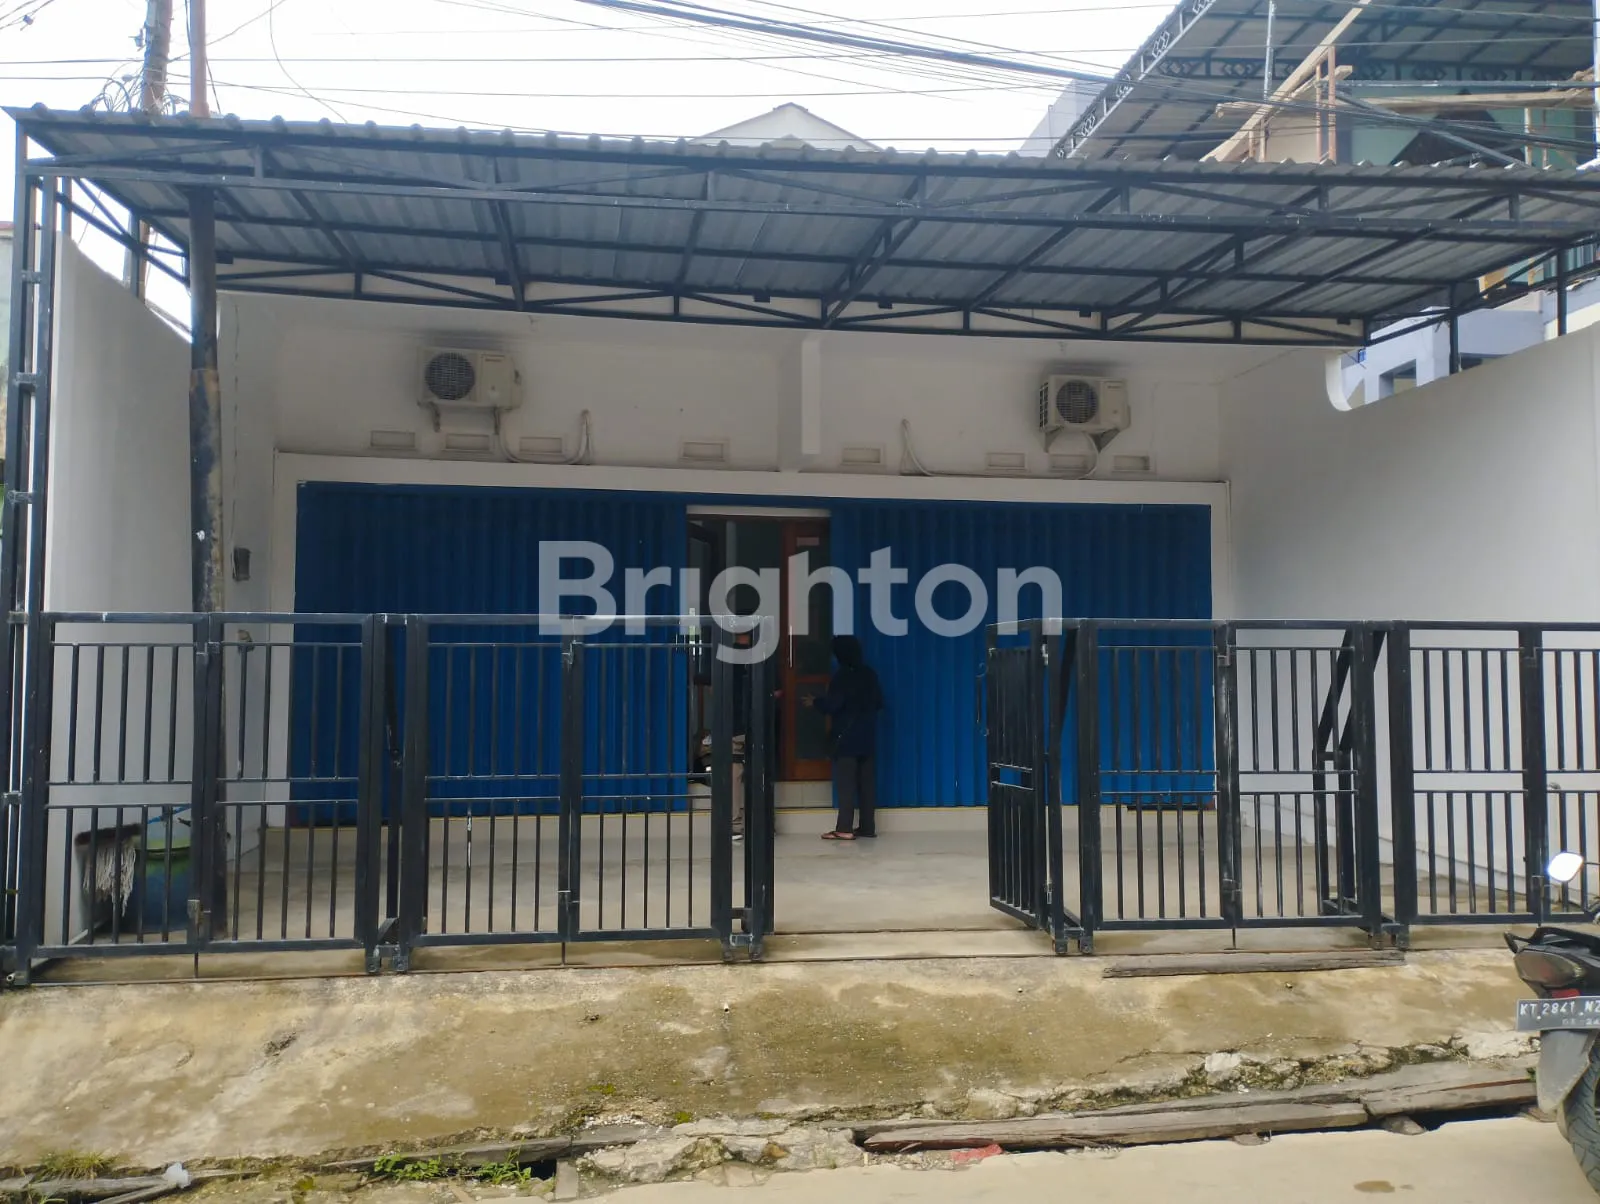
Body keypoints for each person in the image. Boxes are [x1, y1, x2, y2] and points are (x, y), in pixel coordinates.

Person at [805, 635, 884, 841]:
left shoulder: (842, 677)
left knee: (846, 785)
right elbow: (879, 702)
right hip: (867, 738)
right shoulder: (869, 674)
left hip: (847, 739)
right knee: (867, 786)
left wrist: (815, 702)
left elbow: (833, 705)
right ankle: (867, 827)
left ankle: (844, 828)